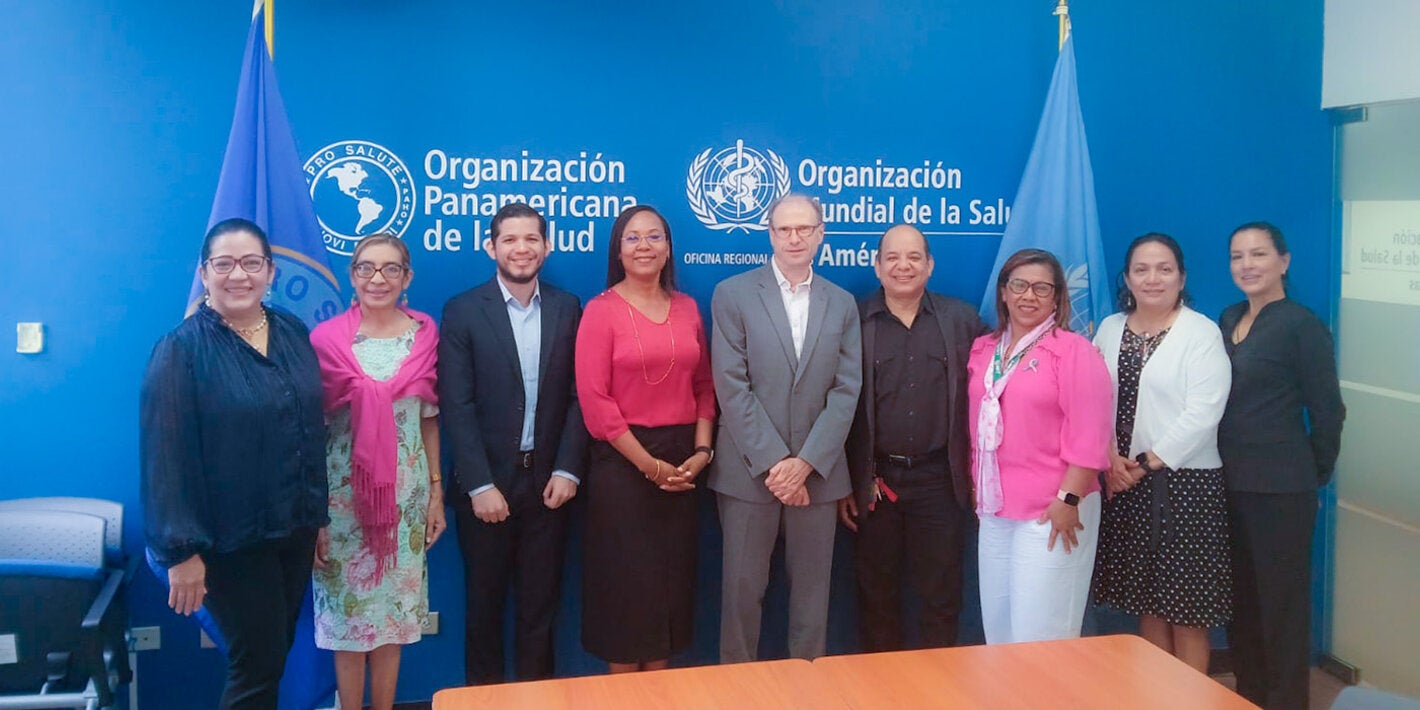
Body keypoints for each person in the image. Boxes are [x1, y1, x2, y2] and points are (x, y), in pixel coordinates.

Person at [140, 218, 328, 709]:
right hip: (229, 539)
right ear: (204, 273)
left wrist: (318, 516)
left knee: (273, 652)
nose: (237, 275)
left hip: (292, 527)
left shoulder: (291, 330)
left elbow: (309, 430)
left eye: (250, 263)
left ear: (270, 271)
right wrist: (181, 553)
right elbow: (165, 456)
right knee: (257, 662)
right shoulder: (180, 350)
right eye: (224, 264)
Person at [438, 203, 588, 684]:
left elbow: (578, 397)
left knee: (539, 613)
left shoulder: (569, 307)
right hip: (486, 488)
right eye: (509, 239)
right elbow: (456, 406)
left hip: (548, 487)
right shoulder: (462, 310)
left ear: (548, 246)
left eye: (531, 239)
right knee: (483, 611)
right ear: (491, 247)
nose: (521, 248)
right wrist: (479, 484)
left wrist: (567, 470)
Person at [709, 194, 862, 662]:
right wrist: (779, 465)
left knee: (812, 602)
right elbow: (731, 387)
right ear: (770, 234)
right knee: (741, 599)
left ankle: (806, 691)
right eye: (784, 229)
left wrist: (806, 464)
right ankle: (735, 694)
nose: (794, 238)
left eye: (804, 229)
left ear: (820, 234)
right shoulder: (732, 294)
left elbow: (846, 389)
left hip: (818, 477)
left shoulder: (842, 302)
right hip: (749, 475)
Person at [575, 205, 715, 673]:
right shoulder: (600, 311)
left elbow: (704, 387)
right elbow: (596, 404)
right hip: (624, 465)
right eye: (632, 238)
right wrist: (650, 467)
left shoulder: (689, 307)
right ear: (618, 249)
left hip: (685, 463)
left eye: (654, 237)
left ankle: (660, 693)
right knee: (627, 593)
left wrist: (701, 451)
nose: (644, 247)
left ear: (669, 248)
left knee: (669, 589)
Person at [309, 235, 444, 710]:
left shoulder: (425, 337)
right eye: (366, 268)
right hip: (341, 503)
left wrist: (435, 495)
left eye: (390, 269)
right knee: (348, 622)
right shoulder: (325, 341)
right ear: (352, 276)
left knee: (392, 619)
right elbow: (311, 434)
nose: (377, 279)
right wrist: (314, 515)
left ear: (407, 278)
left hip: (404, 500)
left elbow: (429, 422)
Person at [839, 225, 986, 651]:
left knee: (940, 597)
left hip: (940, 481)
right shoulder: (854, 321)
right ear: (877, 265)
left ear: (930, 265)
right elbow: (839, 408)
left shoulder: (962, 322)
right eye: (892, 257)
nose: (903, 266)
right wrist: (848, 482)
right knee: (876, 597)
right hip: (875, 482)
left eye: (914, 257)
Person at [1090, 233, 1232, 673]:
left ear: (1181, 277)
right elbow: (1094, 401)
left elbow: (1204, 411)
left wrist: (1145, 464)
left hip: (1186, 485)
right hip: (1123, 479)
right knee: (1147, 603)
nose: (1153, 278)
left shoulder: (1201, 332)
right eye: (1142, 269)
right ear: (1128, 278)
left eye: (1164, 269)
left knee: (1187, 612)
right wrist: (1111, 460)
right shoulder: (1110, 328)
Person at [1218, 221, 1344, 710]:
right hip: (1228, 483)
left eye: (1258, 255)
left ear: (1284, 262)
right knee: (1243, 606)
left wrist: (1313, 476)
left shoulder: (1302, 325)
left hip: (1281, 491)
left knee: (1281, 608)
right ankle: (1248, 697)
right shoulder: (1229, 316)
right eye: (1237, 256)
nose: (1247, 265)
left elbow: (1329, 410)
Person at [967, 247, 1112, 645]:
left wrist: (1068, 499)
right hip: (996, 509)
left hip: (1053, 509)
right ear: (1003, 292)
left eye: (1041, 288)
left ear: (1057, 298)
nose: (1028, 296)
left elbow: (1091, 433)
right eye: (1019, 285)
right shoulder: (983, 351)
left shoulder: (1074, 351)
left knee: (1041, 638)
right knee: (999, 632)